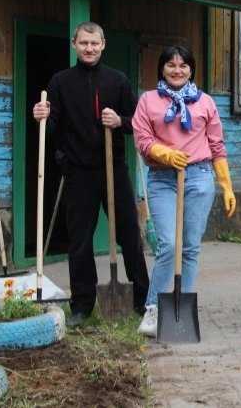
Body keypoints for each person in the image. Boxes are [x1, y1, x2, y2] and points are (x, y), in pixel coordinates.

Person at [32, 21, 150, 328]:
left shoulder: (118, 80)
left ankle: (142, 299)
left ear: (103, 45)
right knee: (79, 242)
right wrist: (41, 117)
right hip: (79, 173)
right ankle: (82, 305)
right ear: (74, 44)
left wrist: (119, 120)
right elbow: (52, 129)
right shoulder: (60, 82)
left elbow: (136, 123)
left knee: (129, 236)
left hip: (115, 170)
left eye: (94, 43)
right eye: (83, 43)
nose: (89, 48)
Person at [133, 45, 236, 337]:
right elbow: (142, 137)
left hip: (199, 177)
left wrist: (226, 186)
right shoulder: (148, 101)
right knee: (168, 244)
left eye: (183, 65)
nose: (177, 70)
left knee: (189, 247)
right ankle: (153, 309)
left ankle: (182, 308)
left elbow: (217, 146)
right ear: (162, 68)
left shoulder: (205, 102)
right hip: (163, 179)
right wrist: (163, 153)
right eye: (170, 64)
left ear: (191, 69)